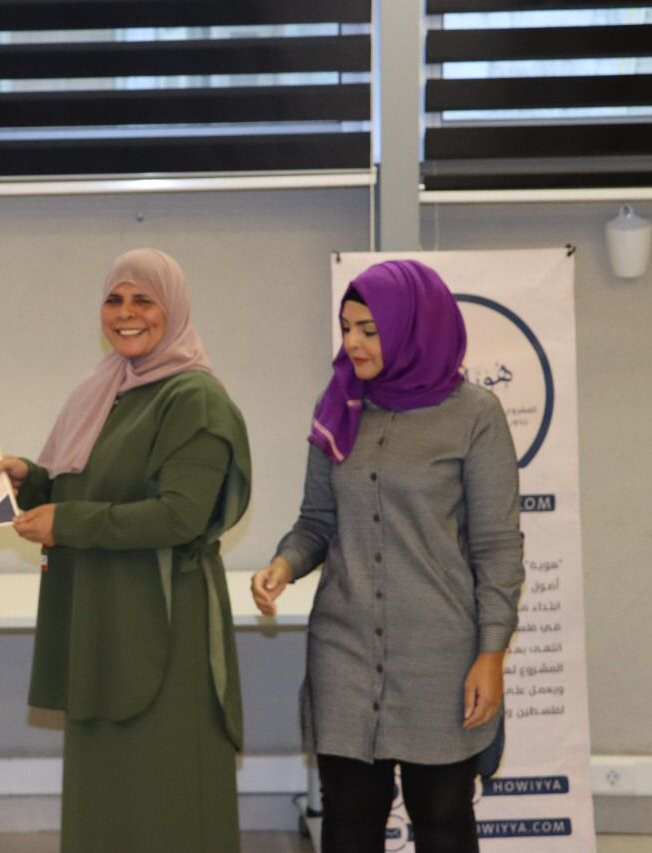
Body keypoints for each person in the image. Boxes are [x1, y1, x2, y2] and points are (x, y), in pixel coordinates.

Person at [251, 260, 523, 853]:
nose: (353, 343)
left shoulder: (474, 415)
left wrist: (491, 655)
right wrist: (284, 564)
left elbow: (497, 546)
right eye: (346, 328)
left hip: (440, 657)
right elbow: (316, 522)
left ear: (410, 328)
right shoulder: (338, 405)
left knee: (443, 821)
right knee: (349, 823)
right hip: (344, 651)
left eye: (369, 330)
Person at [0, 248, 251, 853]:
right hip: (104, 617)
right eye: (114, 300)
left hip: (163, 625)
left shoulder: (193, 398)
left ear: (174, 309)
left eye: (143, 300)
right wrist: (31, 480)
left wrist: (67, 522)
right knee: (106, 796)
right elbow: (90, 484)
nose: (126, 313)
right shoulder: (109, 389)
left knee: (164, 793)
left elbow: (179, 516)